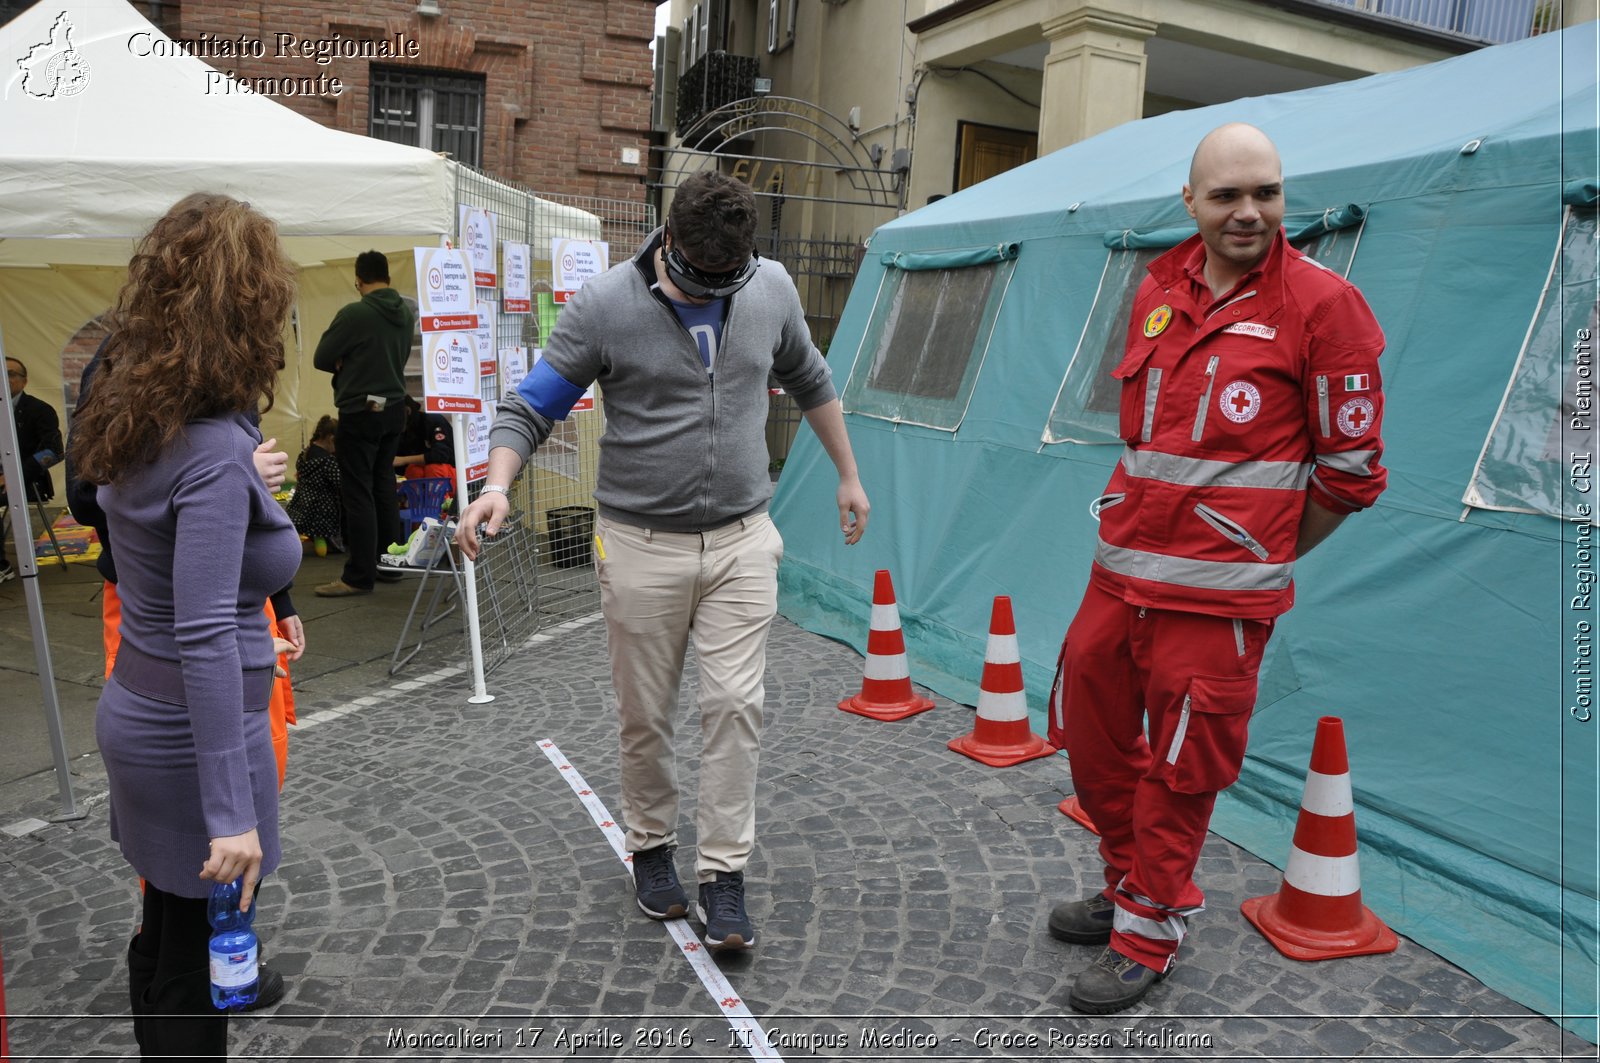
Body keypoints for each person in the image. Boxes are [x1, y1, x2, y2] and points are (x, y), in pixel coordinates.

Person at [457, 170, 870, 952]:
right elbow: (530, 405)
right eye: (693, 279)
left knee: (735, 705)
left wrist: (848, 474)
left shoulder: (772, 288)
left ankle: (724, 874)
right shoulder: (606, 304)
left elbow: (811, 377)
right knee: (646, 714)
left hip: (744, 539)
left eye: (724, 282)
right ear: (666, 238)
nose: (705, 293)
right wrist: (497, 485)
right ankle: (650, 845)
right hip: (640, 543)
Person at [1045, 123, 1388, 1014]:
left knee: (1182, 765)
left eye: (1266, 193)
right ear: (1191, 202)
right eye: (1228, 195)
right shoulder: (1160, 284)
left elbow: (1350, 476)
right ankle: (1128, 879)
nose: (1250, 212)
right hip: (1120, 573)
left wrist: (1262, 551)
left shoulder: (1325, 306)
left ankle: (1147, 928)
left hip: (1217, 600)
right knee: (1085, 723)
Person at [71, 193, 301, 1058]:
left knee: (163, 930)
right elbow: (204, 631)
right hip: (189, 730)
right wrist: (229, 813)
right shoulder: (207, 450)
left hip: (143, 704)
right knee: (193, 963)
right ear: (247, 310)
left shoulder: (141, 415)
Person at [312, 250, 414, 597]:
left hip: (361, 410)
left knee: (357, 492)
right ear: (386, 277)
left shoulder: (355, 313)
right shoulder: (405, 311)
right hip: (394, 409)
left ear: (358, 279)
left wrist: (346, 359)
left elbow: (322, 357)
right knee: (383, 485)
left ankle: (358, 575)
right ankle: (389, 564)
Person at [0, 356, 64, 581]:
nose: (4, 378)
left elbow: (54, 452)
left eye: (11, 374)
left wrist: (14, 474)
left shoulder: (39, 410)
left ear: (24, 381)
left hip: (27, 479)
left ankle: (2, 566)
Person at [287, 414, 343, 556]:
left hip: (303, 503)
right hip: (323, 508)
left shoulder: (305, 453)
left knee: (308, 529)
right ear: (331, 439)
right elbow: (339, 483)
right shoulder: (327, 461)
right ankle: (322, 544)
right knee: (323, 534)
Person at [393, 393, 455, 481]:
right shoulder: (403, 431)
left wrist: (403, 460)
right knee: (414, 470)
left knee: (433, 468)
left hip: (448, 473)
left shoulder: (432, 421)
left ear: (408, 411)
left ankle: (436, 495)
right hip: (421, 475)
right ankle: (418, 494)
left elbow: (441, 455)